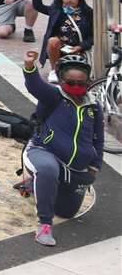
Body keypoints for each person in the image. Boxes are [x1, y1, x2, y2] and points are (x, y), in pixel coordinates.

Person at [20, 50, 104, 246]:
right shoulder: (53, 95)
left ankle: (33, 184)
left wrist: (95, 166)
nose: (75, 86)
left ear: (88, 82)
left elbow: (98, 140)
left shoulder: (94, 107)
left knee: (66, 212)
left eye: (81, 83)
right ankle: (44, 225)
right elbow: (35, 86)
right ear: (60, 79)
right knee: (48, 170)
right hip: (43, 151)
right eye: (70, 82)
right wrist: (30, 66)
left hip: (75, 167)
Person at [32, 0, 95, 66]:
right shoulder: (56, 11)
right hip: (60, 48)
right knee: (52, 41)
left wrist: (81, 47)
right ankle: (54, 70)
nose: (69, 0)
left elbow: (93, 36)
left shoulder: (88, 13)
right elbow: (38, 6)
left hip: (80, 49)